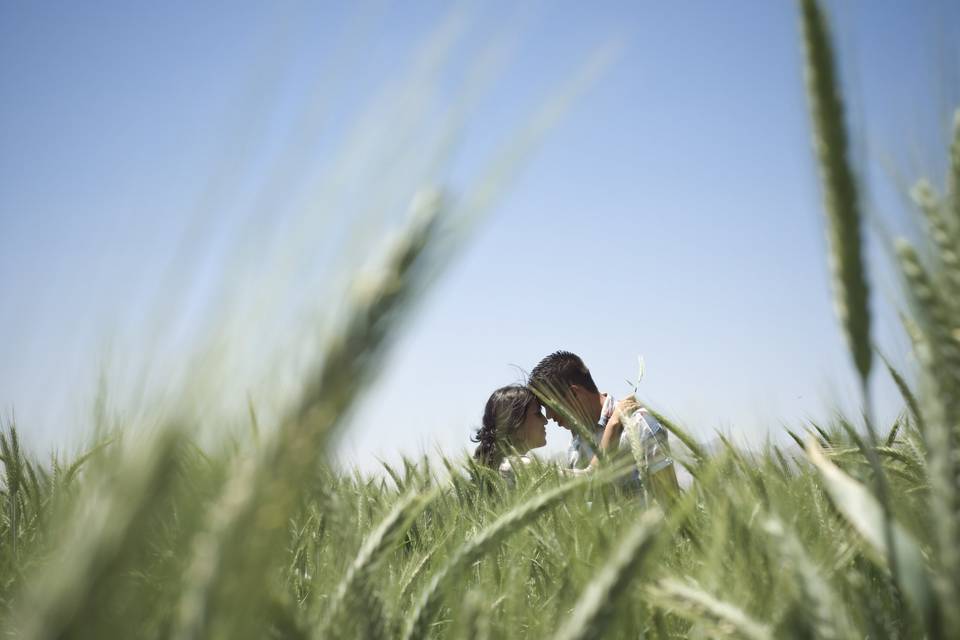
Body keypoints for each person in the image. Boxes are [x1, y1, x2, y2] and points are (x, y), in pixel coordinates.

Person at [528, 350, 680, 507]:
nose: (549, 416)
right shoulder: (576, 442)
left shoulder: (638, 423)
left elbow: (672, 504)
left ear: (574, 393)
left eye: (550, 405)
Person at [471, 384, 548, 481]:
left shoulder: (500, 465)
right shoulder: (521, 465)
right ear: (517, 426)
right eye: (538, 413)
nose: (545, 420)